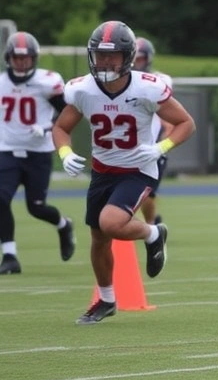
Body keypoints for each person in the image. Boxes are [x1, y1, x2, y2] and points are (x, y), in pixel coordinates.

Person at [51, 21, 196, 324]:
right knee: (98, 238)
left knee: (111, 222)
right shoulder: (83, 89)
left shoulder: (146, 87)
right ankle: (106, 300)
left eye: (111, 56)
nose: (104, 62)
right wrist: (65, 153)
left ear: (127, 57)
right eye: (99, 55)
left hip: (138, 169)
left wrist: (161, 148)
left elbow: (186, 123)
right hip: (102, 170)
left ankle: (154, 233)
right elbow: (62, 128)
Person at [0, 31, 76, 275]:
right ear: (8, 58)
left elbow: (68, 114)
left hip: (38, 153)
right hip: (7, 150)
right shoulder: (2, 82)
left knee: (37, 208)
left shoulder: (48, 82)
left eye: (26, 58)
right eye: (17, 58)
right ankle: (9, 255)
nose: (21, 62)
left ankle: (64, 225)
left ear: (34, 59)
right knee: (1, 200)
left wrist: (45, 127)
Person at [132, 37, 174, 226]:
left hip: (151, 144)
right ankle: (151, 223)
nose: (135, 64)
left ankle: (150, 226)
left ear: (148, 59)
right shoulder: (118, 82)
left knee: (148, 192)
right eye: (133, 58)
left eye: (139, 59)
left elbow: (170, 116)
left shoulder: (158, 81)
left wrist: (163, 145)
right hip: (126, 145)